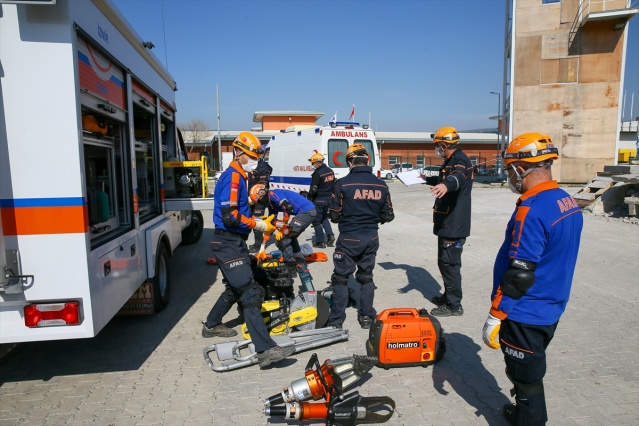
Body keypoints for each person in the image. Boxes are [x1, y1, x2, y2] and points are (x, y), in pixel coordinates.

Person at [481, 133, 583, 425]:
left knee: (524, 377)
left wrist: (496, 314)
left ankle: (530, 419)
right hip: (551, 304)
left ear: (520, 168)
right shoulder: (566, 201)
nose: (509, 176)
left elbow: (520, 274)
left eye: (510, 168)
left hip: (526, 310)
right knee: (528, 371)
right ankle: (527, 413)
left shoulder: (532, 209)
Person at [202, 131, 295, 369]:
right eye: (252, 155)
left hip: (233, 242)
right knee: (250, 290)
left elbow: (236, 209)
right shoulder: (233, 177)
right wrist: (256, 223)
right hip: (228, 242)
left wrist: (251, 205)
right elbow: (229, 216)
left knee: (237, 286)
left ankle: (211, 325)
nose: (255, 159)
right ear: (239, 152)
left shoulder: (240, 176)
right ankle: (265, 350)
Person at [327, 144, 394, 329]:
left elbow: (334, 215)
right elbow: (389, 215)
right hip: (371, 237)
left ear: (350, 162)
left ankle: (336, 322)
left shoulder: (342, 184)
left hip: (348, 237)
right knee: (366, 277)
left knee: (340, 278)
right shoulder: (381, 184)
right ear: (367, 160)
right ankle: (366, 317)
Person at [421, 126, 473, 317]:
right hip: (446, 223)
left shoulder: (460, 161)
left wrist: (445, 184)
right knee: (444, 262)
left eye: (437, 146)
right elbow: (445, 177)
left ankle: (454, 306)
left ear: (443, 145)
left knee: (450, 265)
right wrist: (426, 179)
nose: (437, 149)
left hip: (454, 224)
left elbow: (456, 178)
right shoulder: (451, 160)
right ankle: (448, 295)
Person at [249, 184, 317, 276]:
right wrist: (262, 246)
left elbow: (288, 207)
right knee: (290, 237)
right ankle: (300, 262)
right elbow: (271, 225)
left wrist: (283, 227)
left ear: (262, 194)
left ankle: (290, 266)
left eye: (260, 201)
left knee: (283, 239)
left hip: (307, 212)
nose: (261, 204)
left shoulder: (273, 194)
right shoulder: (271, 204)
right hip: (307, 212)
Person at [307, 152, 336, 248]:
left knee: (316, 221)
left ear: (318, 163)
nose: (312, 165)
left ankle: (320, 242)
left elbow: (314, 189)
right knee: (323, 218)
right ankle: (330, 235)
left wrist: (309, 197)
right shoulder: (330, 171)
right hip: (328, 199)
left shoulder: (317, 173)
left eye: (313, 163)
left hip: (318, 200)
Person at [247, 156, 272, 253]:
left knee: (257, 222)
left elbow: (262, 186)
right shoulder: (251, 165)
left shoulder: (262, 167)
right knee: (248, 220)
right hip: (250, 198)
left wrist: (254, 197)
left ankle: (257, 245)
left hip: (259, 200)